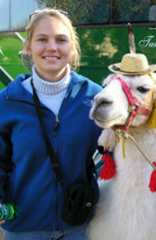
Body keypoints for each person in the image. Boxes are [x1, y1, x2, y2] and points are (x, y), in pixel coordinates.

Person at [0, 8, 102, 240]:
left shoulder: (95, 98)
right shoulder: (6, 101)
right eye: (42, 39)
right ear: (28, 46)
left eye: (61, 40)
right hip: (24, 227)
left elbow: (117, 152)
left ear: (72, 49)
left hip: (79, 227)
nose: (52, 47)